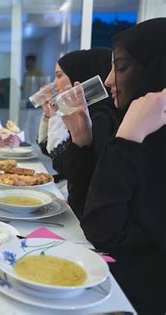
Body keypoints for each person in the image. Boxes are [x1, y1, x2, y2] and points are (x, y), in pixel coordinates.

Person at [61, 18, 166, 313]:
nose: (108, 81)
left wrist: (127, 140)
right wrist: (81, 141)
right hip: (113, 281)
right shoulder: (135, 125)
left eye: (120, 68)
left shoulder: (131, 128)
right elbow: (84, 208)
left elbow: (102, 231)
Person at [37, 48, 118, 217]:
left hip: (87, 214)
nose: (54, 84)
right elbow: (45, 148)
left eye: (59, 76)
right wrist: (48, 115)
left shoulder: (100, 117)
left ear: (80, 76)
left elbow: (60, 161)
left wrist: (55, 118)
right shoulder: (88, 111)